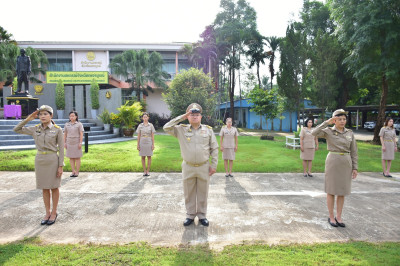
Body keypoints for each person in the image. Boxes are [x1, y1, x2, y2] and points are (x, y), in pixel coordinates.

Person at [163, 103, 218, 227]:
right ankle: (190, 215)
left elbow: (214, 148)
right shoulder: (181, 129)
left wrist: (214, 165)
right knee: (189, 192)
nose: (194, 117)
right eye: (191, 115)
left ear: (201, 117)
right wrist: (181, 117)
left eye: (197, 115)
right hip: (188, 166)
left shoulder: (208, 130)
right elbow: (166, 127)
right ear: (187, 117)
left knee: (203, 192)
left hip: (204, 166)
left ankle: (202, 215)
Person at [13, 105, 64, 225]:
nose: (42, 116)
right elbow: (17, 129)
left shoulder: (57, 130)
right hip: (40, 160)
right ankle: (47, 212)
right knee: (44, 187)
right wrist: (28, 119)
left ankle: (54, 212)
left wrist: (60, 165)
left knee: (54, 187)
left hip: (52, 160)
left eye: (45, 114)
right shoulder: (35, 129)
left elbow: (61, 150)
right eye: (40, 114)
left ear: (51, 116)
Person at [312, 109, 358, 228]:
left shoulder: (349, 133)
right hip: (333, 161)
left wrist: (355, 167)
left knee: (342, 191)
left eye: (344, 119)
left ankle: (339, 216)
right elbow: (314, 132)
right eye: (339, 119)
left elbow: (354, 151)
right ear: (334, 120)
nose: (342, 121)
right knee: (331, 191)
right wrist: (327, 122)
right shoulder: (328, 131)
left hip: (346, 163)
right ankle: (331, 216)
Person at [64, 111, 84, 177]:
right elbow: (65, 134)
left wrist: (80, 143)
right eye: (70, 116)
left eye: (73, 116)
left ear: (76, 117)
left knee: (77, 158)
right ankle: (73, 171)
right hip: (69, 142)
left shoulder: (79, 124)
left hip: (76, 142)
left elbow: (81, 134)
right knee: (71, 158)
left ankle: (77, 172)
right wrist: (64, 143)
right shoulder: (67, 124)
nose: (71, 117)